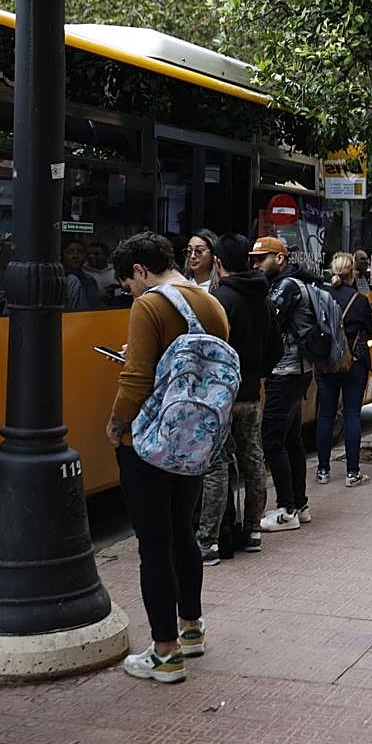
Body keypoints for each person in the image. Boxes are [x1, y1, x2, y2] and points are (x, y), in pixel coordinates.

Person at [105, 231, 230, 683]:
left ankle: (164, 653)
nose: (130, 292)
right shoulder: (210, 303)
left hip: (152, 441)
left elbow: (137, 380)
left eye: (128, 283)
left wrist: (117, 425)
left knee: (153, 545)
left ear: (140, 271)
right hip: (196, 440)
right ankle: (191, 630)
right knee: (183, 534)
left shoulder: (150, 305)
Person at [196, 233, 282, 562]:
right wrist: (256, 372)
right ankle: (253, 531)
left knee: (217, 464)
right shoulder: (263, 297)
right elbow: (276, 347)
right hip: (251, 392)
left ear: (217, 262)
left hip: (222, 396)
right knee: (253, 459)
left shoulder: (220, 299)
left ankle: (208, 540)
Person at [252, 236, 320, 532]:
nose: (255, 264)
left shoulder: (287, 287)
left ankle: (286, 509)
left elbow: (268, 325)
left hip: (287, 371)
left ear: (279, 259)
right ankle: (299, 504)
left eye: (261, 258)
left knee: (271, 438)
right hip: (296, 370)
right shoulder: (290, 283)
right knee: (291, 438)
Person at [315, 252, 372, 487]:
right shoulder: (359, 300)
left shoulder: (321, 297)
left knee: (325, 415)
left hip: (326, 363)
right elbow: (370, 332)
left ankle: (322, 470)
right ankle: (352, 473)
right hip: (354, 363)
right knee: (352, 415)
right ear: (353, 273)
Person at [62, 237, 102, 311]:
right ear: (62, 255)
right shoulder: (60, 281)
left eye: (80, 252)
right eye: (70, 252)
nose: (75, 256)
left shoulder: (90, 280)